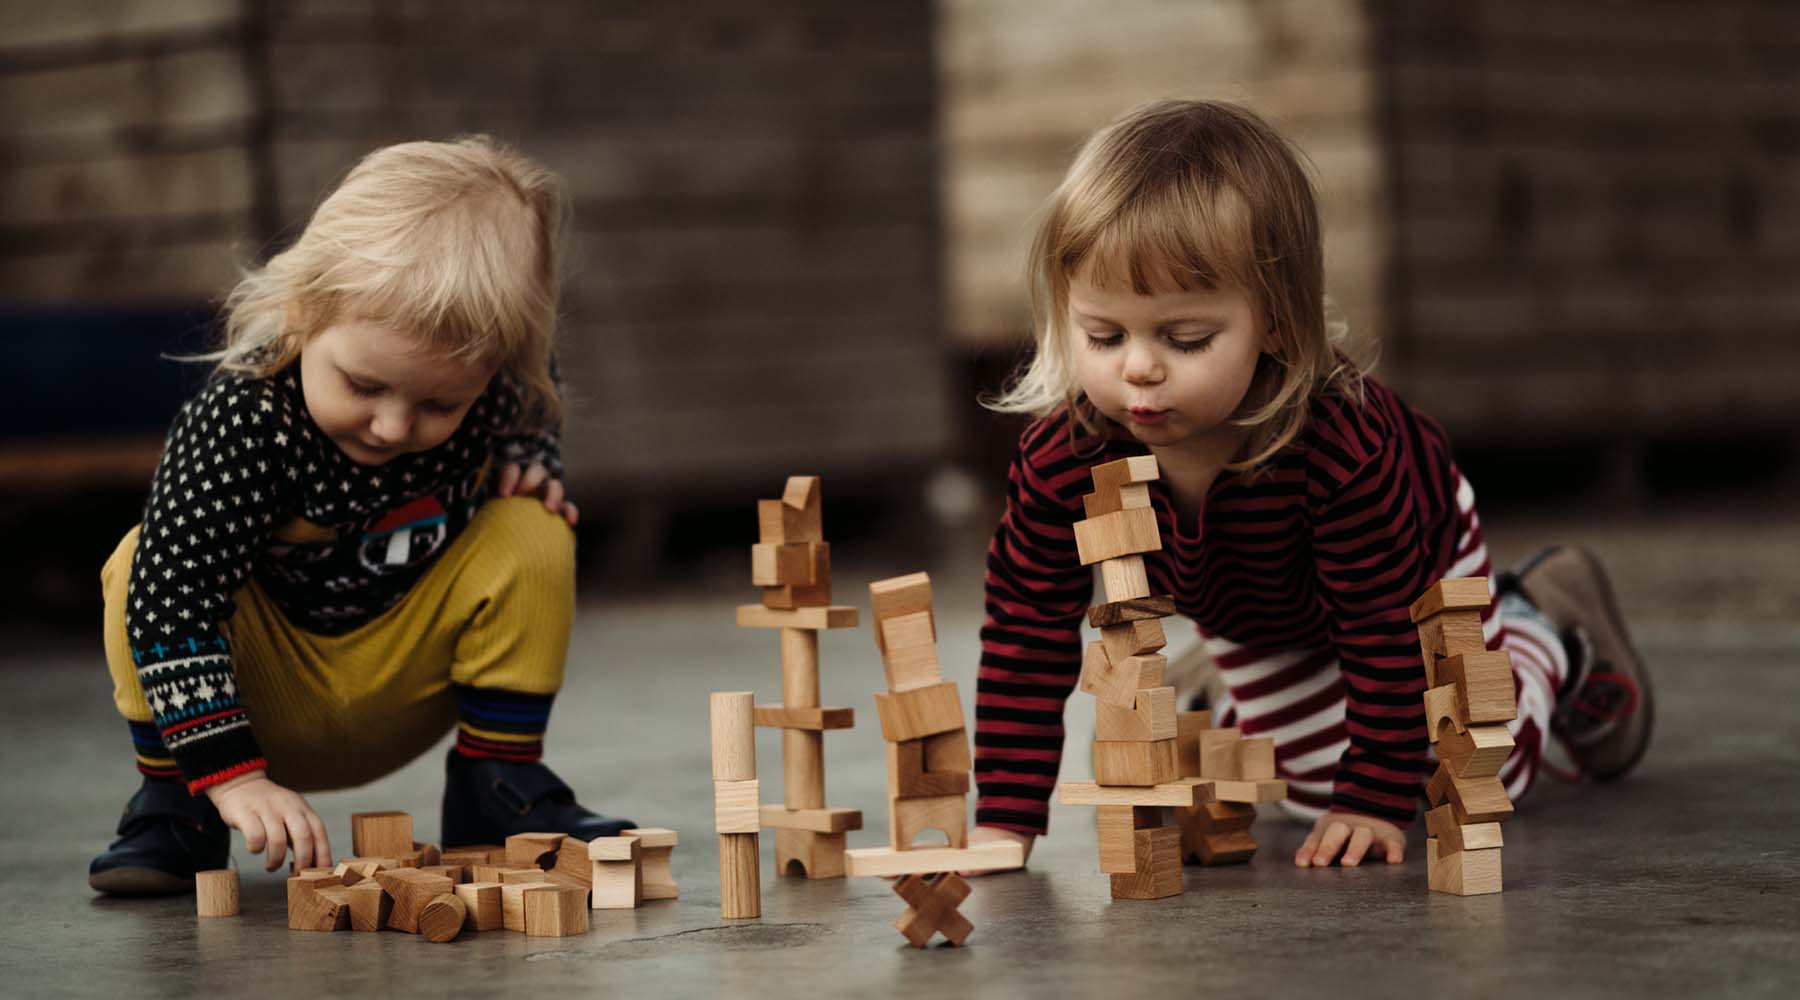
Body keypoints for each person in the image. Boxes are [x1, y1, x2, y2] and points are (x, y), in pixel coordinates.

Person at [964, 100, 1653, 871]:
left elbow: (1382, 627)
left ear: (1278, 326)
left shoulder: (1340, 452)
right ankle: (1222, 701)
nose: (1138, 369)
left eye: (1185, 339)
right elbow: (1026, 631)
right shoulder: (1064, 456)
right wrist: (1005, 816)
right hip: (1250, 599)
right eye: (1103, 335)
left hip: (1408, 573)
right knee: (1292, 790)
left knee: (1461, 777)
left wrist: (1371, 796)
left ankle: (1544, 633)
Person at [89, 136, 635, 895]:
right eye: (363, 384)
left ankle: (496, 783)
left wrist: (534, 460)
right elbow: (173, 602)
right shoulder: (246, 420)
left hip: (399, 687)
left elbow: (537, 392)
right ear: (303, 311)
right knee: (143, 565)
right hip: (246, 704)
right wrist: (233, 777)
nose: (392, 426)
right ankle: (178, 808)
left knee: (533, 527)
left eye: (440, 403)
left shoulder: (497, 389)